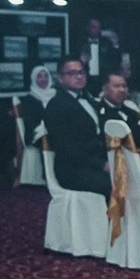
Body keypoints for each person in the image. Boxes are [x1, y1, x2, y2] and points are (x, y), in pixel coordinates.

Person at [45, 56, 109, 197]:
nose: (79, 77)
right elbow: (67, 148)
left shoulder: (90, 99)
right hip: (73, 169)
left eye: (81, 72)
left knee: (138, 176)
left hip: (96, 162)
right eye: (72, 73)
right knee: (114, 183)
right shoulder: (56, 106)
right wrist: (101, 165)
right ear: (61, 78)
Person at [97, 72, 140, 152]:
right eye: (116, 86)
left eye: (124, 86)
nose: (122, 90)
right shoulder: (97, 113)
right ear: (105, 89)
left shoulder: (133, 114)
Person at [16, 64, 55, 147]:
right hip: (37, 137)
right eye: (39, 76)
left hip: (54, 132)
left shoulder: (55, 95)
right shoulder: (29, 100)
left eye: (46, 76)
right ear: (34, 79)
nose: (44, 79)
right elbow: (31, 123)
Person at [81, 17, 120, 94]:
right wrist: (82, 61)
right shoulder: (80, 43)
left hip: (103, 80)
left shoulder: (106, 43)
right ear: (88, 28)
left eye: (99, 28)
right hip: (86, 80)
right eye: (94, 27)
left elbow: (116, 59)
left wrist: (115, 44)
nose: (97, 30)